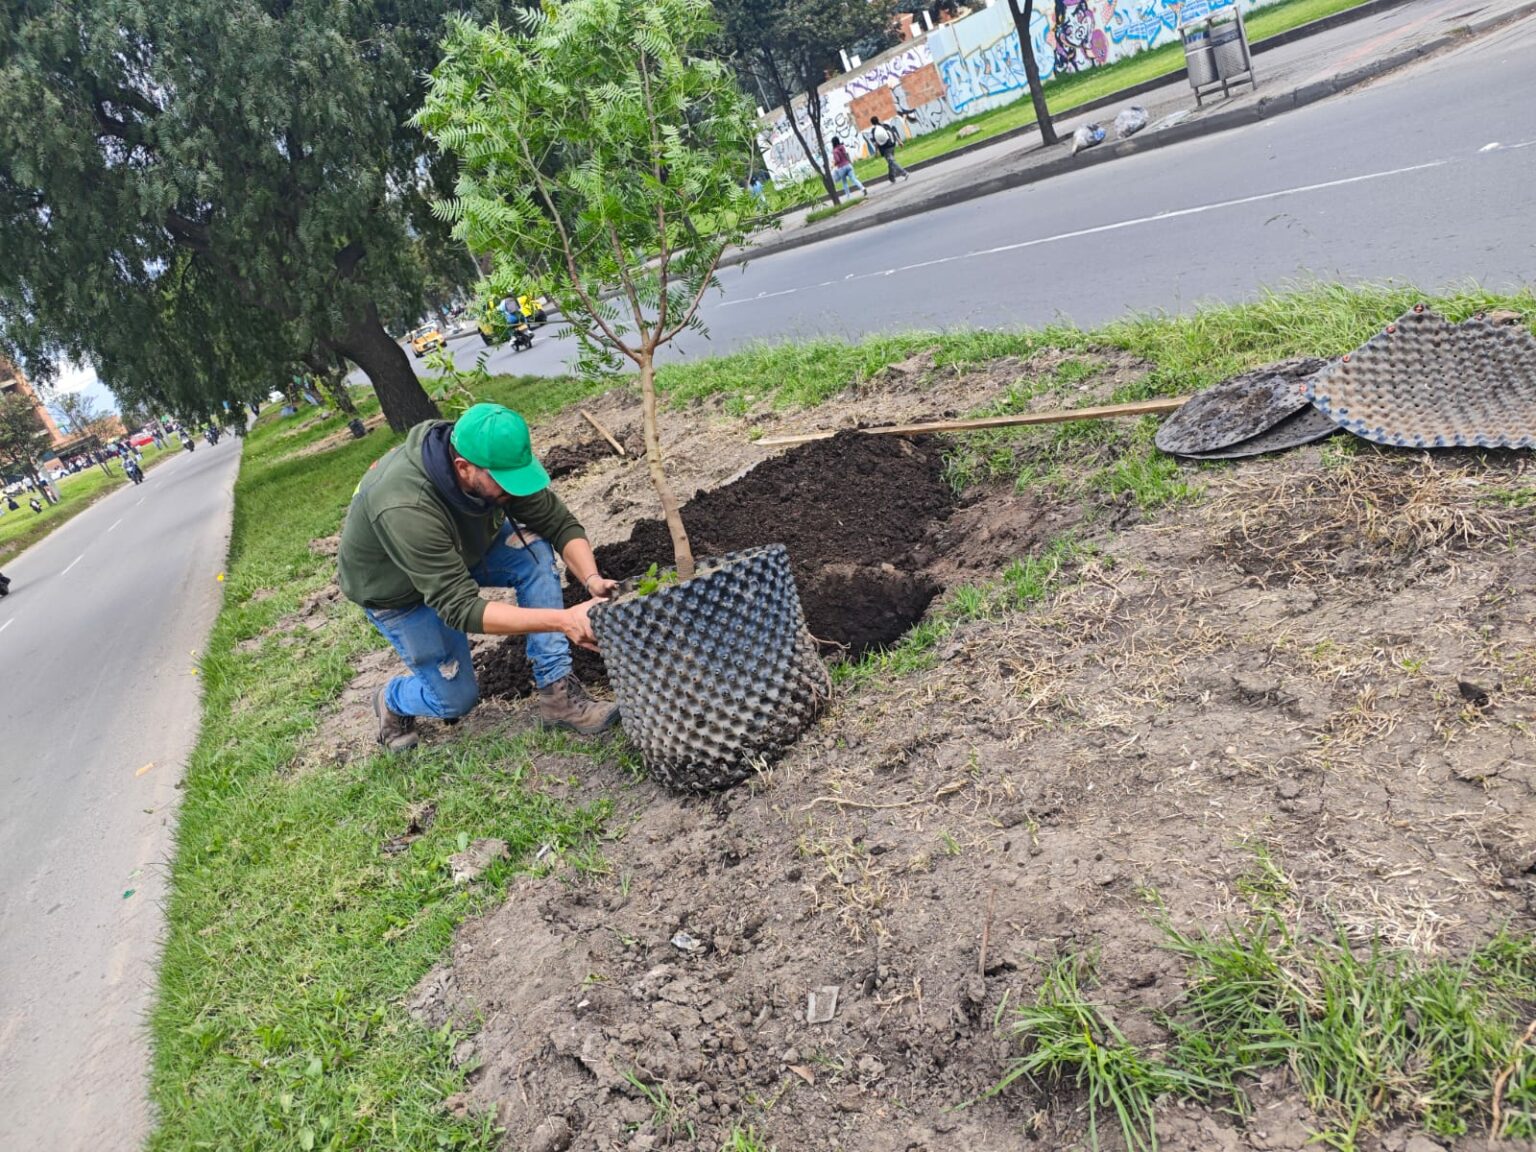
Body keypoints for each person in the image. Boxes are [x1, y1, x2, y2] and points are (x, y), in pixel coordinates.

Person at [337, 402, 620, 752]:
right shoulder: (404, 504)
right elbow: (459, 607)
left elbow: (558, 523)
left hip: (456, 549)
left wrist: (590, 579)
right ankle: (392, 698)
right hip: (399, 591)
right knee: (456, 700)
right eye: (505, 483)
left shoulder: (483, 453)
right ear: (463, 468)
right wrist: (564, 620)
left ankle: (558, 694)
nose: (514, 491)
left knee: (532, 551)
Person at [868, 115, 910, 185]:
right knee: (891, 162)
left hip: (885, 149)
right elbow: (893, 133)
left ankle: (904, 173)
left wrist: (876, 151)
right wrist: (899, 141)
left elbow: (875, 143)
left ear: (872, 123)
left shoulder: (873, 131)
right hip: (892, 145)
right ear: (878, 120)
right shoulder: (885, 125)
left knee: (891, 162)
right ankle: (891, 178)